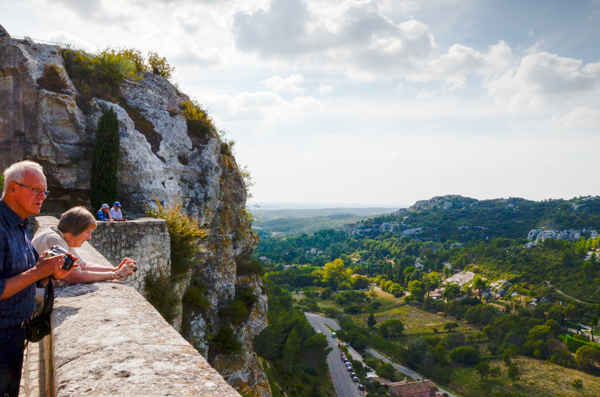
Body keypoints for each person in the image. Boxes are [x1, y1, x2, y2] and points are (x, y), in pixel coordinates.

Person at [1, 161, 75, 397]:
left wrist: (47, 273)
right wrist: (37, 272)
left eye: (45, 191)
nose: (42, 196)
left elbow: (24, 276)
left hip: (14, 333)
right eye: (36, 190)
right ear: (13, 188)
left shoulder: (19, 224)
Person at [32, 206, 137, 283]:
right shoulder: (54, 240)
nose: (89, 237)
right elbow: (74, 276)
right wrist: (115, 275)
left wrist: (115, 269)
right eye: (87, 232)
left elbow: (82, 265)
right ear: (74, 230)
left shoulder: (62, 238)